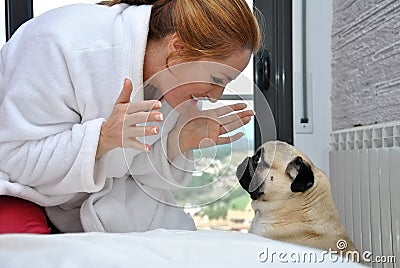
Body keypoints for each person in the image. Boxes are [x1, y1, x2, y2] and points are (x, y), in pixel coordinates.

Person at [0, 0, 261, 233]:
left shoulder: (172, 81)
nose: (215, 96)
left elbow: (132, 170)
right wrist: (102, 139)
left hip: (93, 201)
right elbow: (14, 158)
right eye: (216, 79)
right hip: (21, 192)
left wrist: (176, 144)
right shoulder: (59, 44)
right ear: (177, 48)